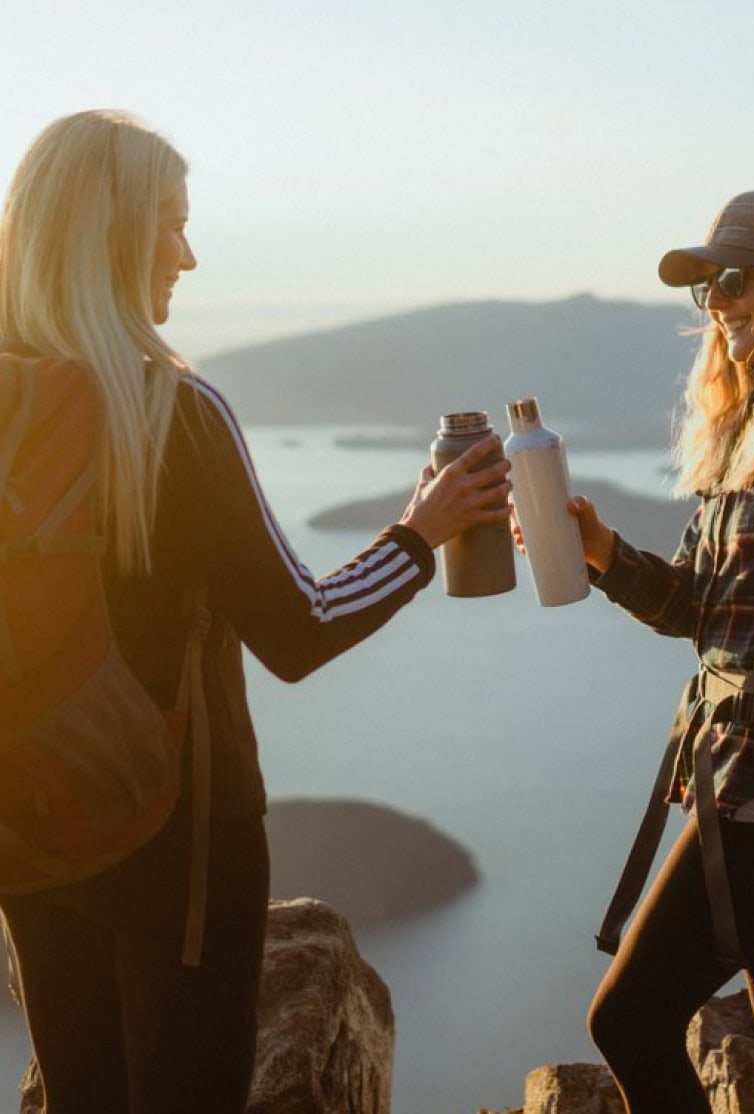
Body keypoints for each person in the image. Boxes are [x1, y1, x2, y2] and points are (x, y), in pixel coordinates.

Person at [0, 109, 512, 1114]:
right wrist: (422, 531)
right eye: (170, 224)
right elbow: (300, 627)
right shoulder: (170, 415)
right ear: (111, 235)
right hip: (178, 841)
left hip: (30, 822)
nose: (187, 256)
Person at [569, 192, 754, 1114]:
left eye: (731, 279)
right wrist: (602, 554)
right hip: (736, 773)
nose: (714, 303)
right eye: (703, 290)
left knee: (630, 1022)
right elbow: (699, 610)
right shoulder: (750, 429)